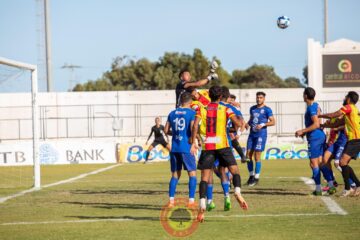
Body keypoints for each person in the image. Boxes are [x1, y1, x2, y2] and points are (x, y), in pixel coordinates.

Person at [191, 85, 248, 223]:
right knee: (235, 171)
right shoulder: (226, 108)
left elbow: (195, 126)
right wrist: (235, 130)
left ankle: (203, 203)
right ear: (221, 96)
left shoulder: (201, 108)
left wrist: (194, 142)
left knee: (204, 178)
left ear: (209, 95)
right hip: (223, 145)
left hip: (208, 146)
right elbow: (238, 123)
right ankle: (237, 192)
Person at [318, 91, 360, 197]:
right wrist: (324, 125)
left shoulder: (349, 107)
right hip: (352, 140)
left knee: (342, 162)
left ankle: (348, 188)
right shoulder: (351, 111)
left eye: (346, 97)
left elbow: (334, 115)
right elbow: (337, 123)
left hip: (355, 140)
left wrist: (320, 115)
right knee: (343, 163)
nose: (344, 98)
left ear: (349, 99)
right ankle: (355, 186)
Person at [295, 87, 334, 196]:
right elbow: (318, 123)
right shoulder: (316, 106)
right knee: (321, 162)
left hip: (315, 137)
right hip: (319, 136)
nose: (303, 96)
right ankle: (331, 185)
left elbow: (316, 124)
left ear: (306, 96)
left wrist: (303, 130)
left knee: (313, 163)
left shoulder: (311, 108)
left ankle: (318, 189)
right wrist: (305, 132)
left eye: (303, 94)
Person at [164, 92, 197, 207]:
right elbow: (193, 128)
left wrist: (176, 133)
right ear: (190, 102)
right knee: (192, 174)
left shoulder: (172, 113)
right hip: (186, 148)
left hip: (175, 148)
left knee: (175, 175)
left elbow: (166, 130)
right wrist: (193, 142)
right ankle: (191, 201)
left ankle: (171, 201)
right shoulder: (192, 113)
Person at [245, 92, 275, 186]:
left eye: (261, 97)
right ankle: (251, 176)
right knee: (248, 155)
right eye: (257, 97)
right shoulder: (252, 108)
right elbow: (251, 119)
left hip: (261, 135)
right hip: (252, 134)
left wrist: (263, 124)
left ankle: (256, 177)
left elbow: (273, 121)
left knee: (257, 156)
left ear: (264, 99)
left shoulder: (267, 109)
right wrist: (247, 124)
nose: (258, 99)